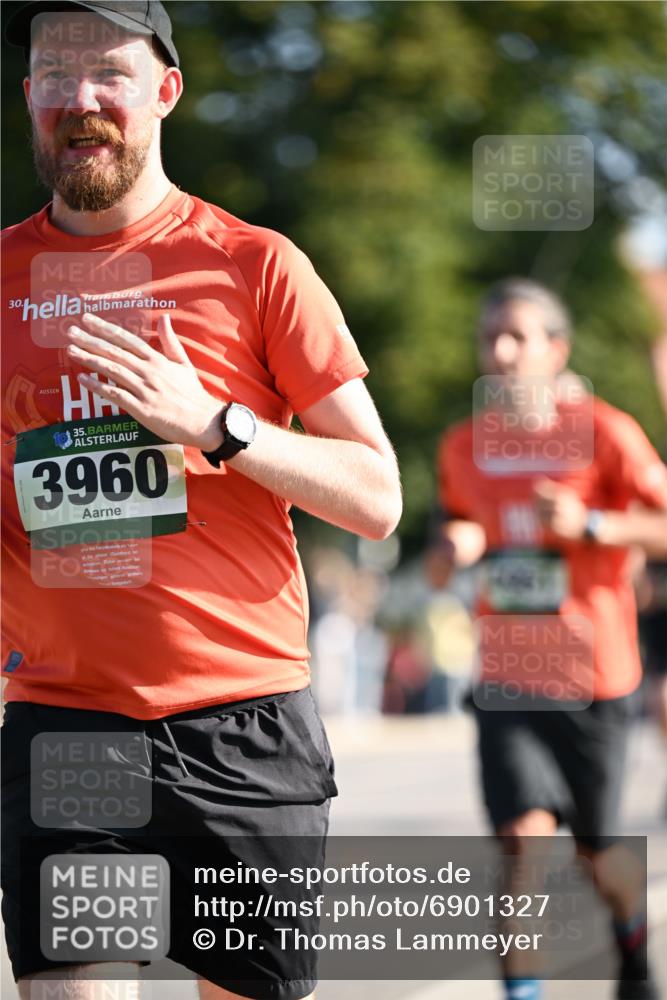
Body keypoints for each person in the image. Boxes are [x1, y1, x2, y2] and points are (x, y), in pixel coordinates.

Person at [1, 4, 402, 1000]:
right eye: (54, 74)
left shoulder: (255, 265)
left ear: (165, 92)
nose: (79, 101)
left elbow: (376, 496)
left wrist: (215, 424)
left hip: (242, 724)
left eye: (109, 76)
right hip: (67, 724)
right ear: (28, 98)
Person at [428, 277, 667, 1000]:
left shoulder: (606, 431)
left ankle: (631, 948)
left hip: (595, 678)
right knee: (521, 849)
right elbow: (448, 541)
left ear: (555, 350)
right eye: (489, 337)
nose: (499, 352)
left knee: (600, 859)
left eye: (517, 337)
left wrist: (592, 526)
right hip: (505, 677)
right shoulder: (462, 445)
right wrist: (454, 548)